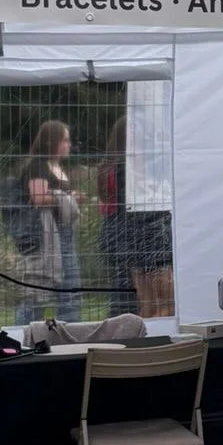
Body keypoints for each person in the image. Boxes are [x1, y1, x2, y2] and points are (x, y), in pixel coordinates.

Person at [17, 119, 82, 324]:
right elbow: (38, 197)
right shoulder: (38, 166)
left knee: (71, 288)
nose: (68, 145)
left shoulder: (57, 167)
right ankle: (22, 332)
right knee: (39, 291)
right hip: (46, 235)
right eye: (65, 140)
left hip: (64, 233)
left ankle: (70, 332)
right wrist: (69, 198)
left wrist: (70, 197)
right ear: (52, 141)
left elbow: (54, 195)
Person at [97, 116, 135, 315]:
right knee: (125, 286)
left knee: (119, 283)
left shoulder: (106, 164)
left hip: (109, 228)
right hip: (122, 229)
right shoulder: (124, 167)